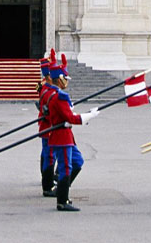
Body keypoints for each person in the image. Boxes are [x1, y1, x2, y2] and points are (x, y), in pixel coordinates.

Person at [44, 53, 99, 212]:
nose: (67, 82)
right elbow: (69, 118)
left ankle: (62, 192)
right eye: (65, 79)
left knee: (76, 162)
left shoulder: (57, 95)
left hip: (64, 136)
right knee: (66, 168)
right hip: (62, 137)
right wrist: (89, 116)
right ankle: (62, 200)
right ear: (60, 79)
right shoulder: (60, 96)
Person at [38, 49, 58, 197]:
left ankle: (47, 180)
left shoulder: (46, 88)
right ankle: (48, 184)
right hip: (50, 127)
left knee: (47, 154)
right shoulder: (50, 91)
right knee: (50, 155)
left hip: (47, 126)